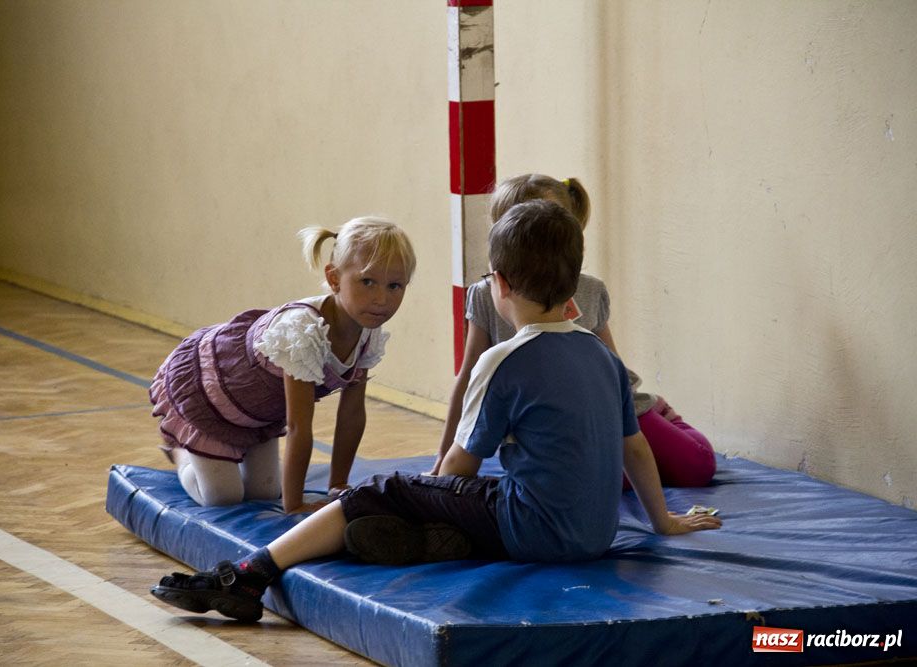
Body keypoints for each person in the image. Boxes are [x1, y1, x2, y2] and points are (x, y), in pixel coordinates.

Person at [149, 199, 722, 623]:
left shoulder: (504, 359)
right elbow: (636, 445)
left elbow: (460, 467)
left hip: (535, 533)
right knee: (446, 499)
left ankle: (249, 575)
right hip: (595, 533)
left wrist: (418, 497)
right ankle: (425, 538)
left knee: (382, 492)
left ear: (497, 284)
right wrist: (663, 521)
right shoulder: (601, 355)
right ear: (573, 281)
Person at [432, 173, 716, 489]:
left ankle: (665, 415)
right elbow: (468, 376)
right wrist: (443, 454)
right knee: (595, 479)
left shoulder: (588, 290)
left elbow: (613, 370)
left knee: (698, 465)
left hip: (602, 412)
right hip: (545, 422)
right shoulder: (487, 295)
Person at [149, 217, 416, 513]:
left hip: (257, 414)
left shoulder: (368, 329)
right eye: (367, 282)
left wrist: (338, 484)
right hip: (212, 396)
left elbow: (352, 413)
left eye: (395, 286)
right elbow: (298, 426)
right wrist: (294, 505)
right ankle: (180, 452)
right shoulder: (303, 331)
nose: (382, 299)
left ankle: (232, 453)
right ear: (334, 278)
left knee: (265, 492)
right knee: (222, 496)